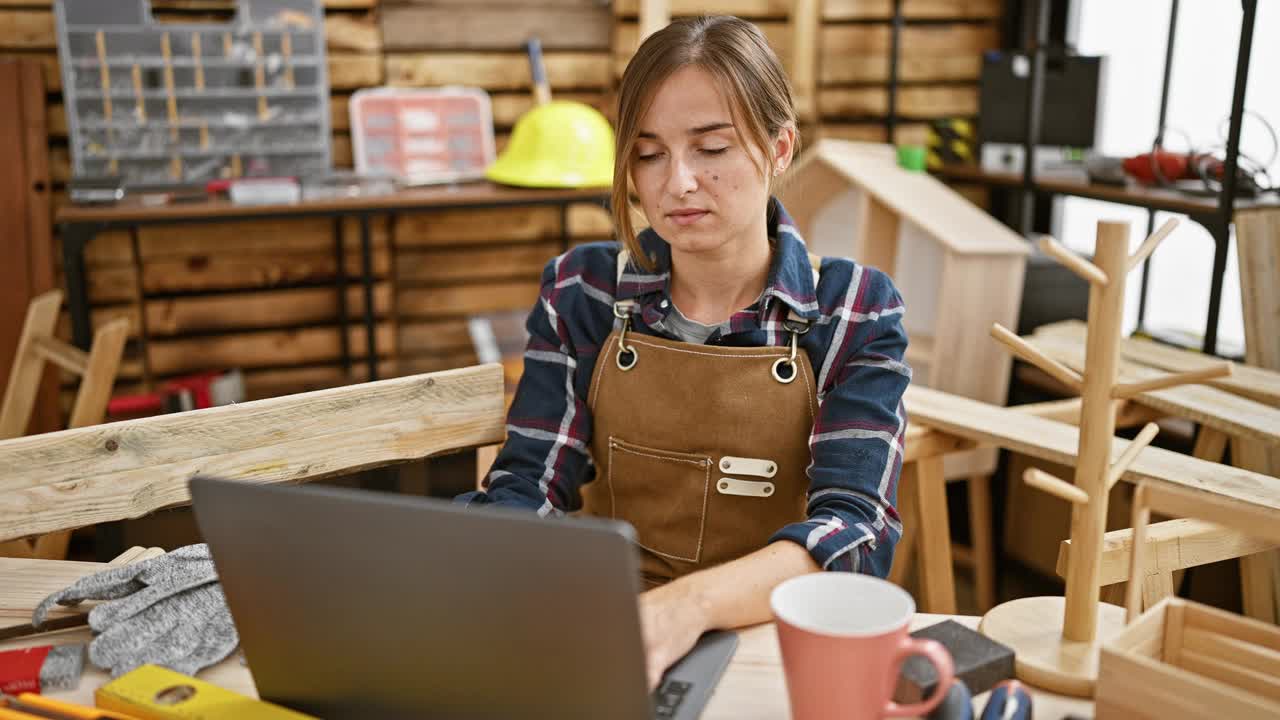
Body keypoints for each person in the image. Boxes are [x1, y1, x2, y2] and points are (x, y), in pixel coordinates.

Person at [457, 16, 910, 689]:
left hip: (775, 647)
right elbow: (530, 483)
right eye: (648, 154)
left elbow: (855, 535)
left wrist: (686, 607)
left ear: (780, 147)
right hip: (612, 632)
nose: (677, 183)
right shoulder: (582, 291)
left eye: (711, 148)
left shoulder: (854, 310)